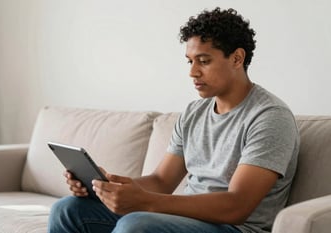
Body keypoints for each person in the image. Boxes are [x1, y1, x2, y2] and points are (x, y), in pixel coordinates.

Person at [48, 7, 299, 233]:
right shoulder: (194, 113)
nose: (192, 72)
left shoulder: (269, 117)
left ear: (236, 58)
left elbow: (236, 206)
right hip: (185, 221)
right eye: (190, 61)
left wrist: (145, 202)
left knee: (135, 225)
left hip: (233, 227)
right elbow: (161, 181)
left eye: (204, 61)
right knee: (68, 209)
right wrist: (109, 185)